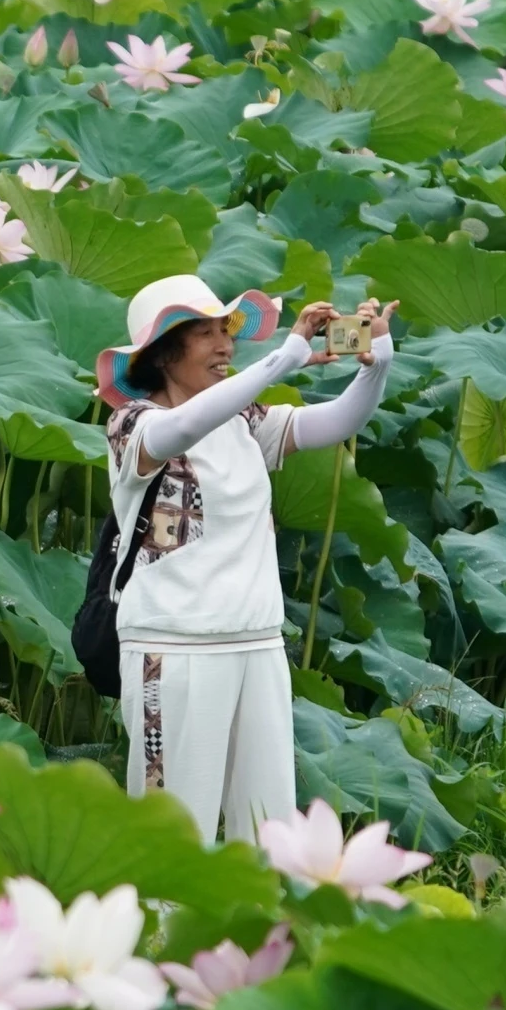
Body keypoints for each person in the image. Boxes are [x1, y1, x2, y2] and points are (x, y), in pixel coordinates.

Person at [95, 276, 393, 843]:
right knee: (174, 837)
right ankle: (162, 933)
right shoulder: (134, 425)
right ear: (162, 355)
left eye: (226, 331)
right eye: (205, 333)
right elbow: (184, 426)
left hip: (256, 642)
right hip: (174, 648)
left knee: (268, 831)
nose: (225, 345)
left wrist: (375, 363)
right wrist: (284, 360)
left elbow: (335, 422)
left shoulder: (244, 420)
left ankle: (259, 933)